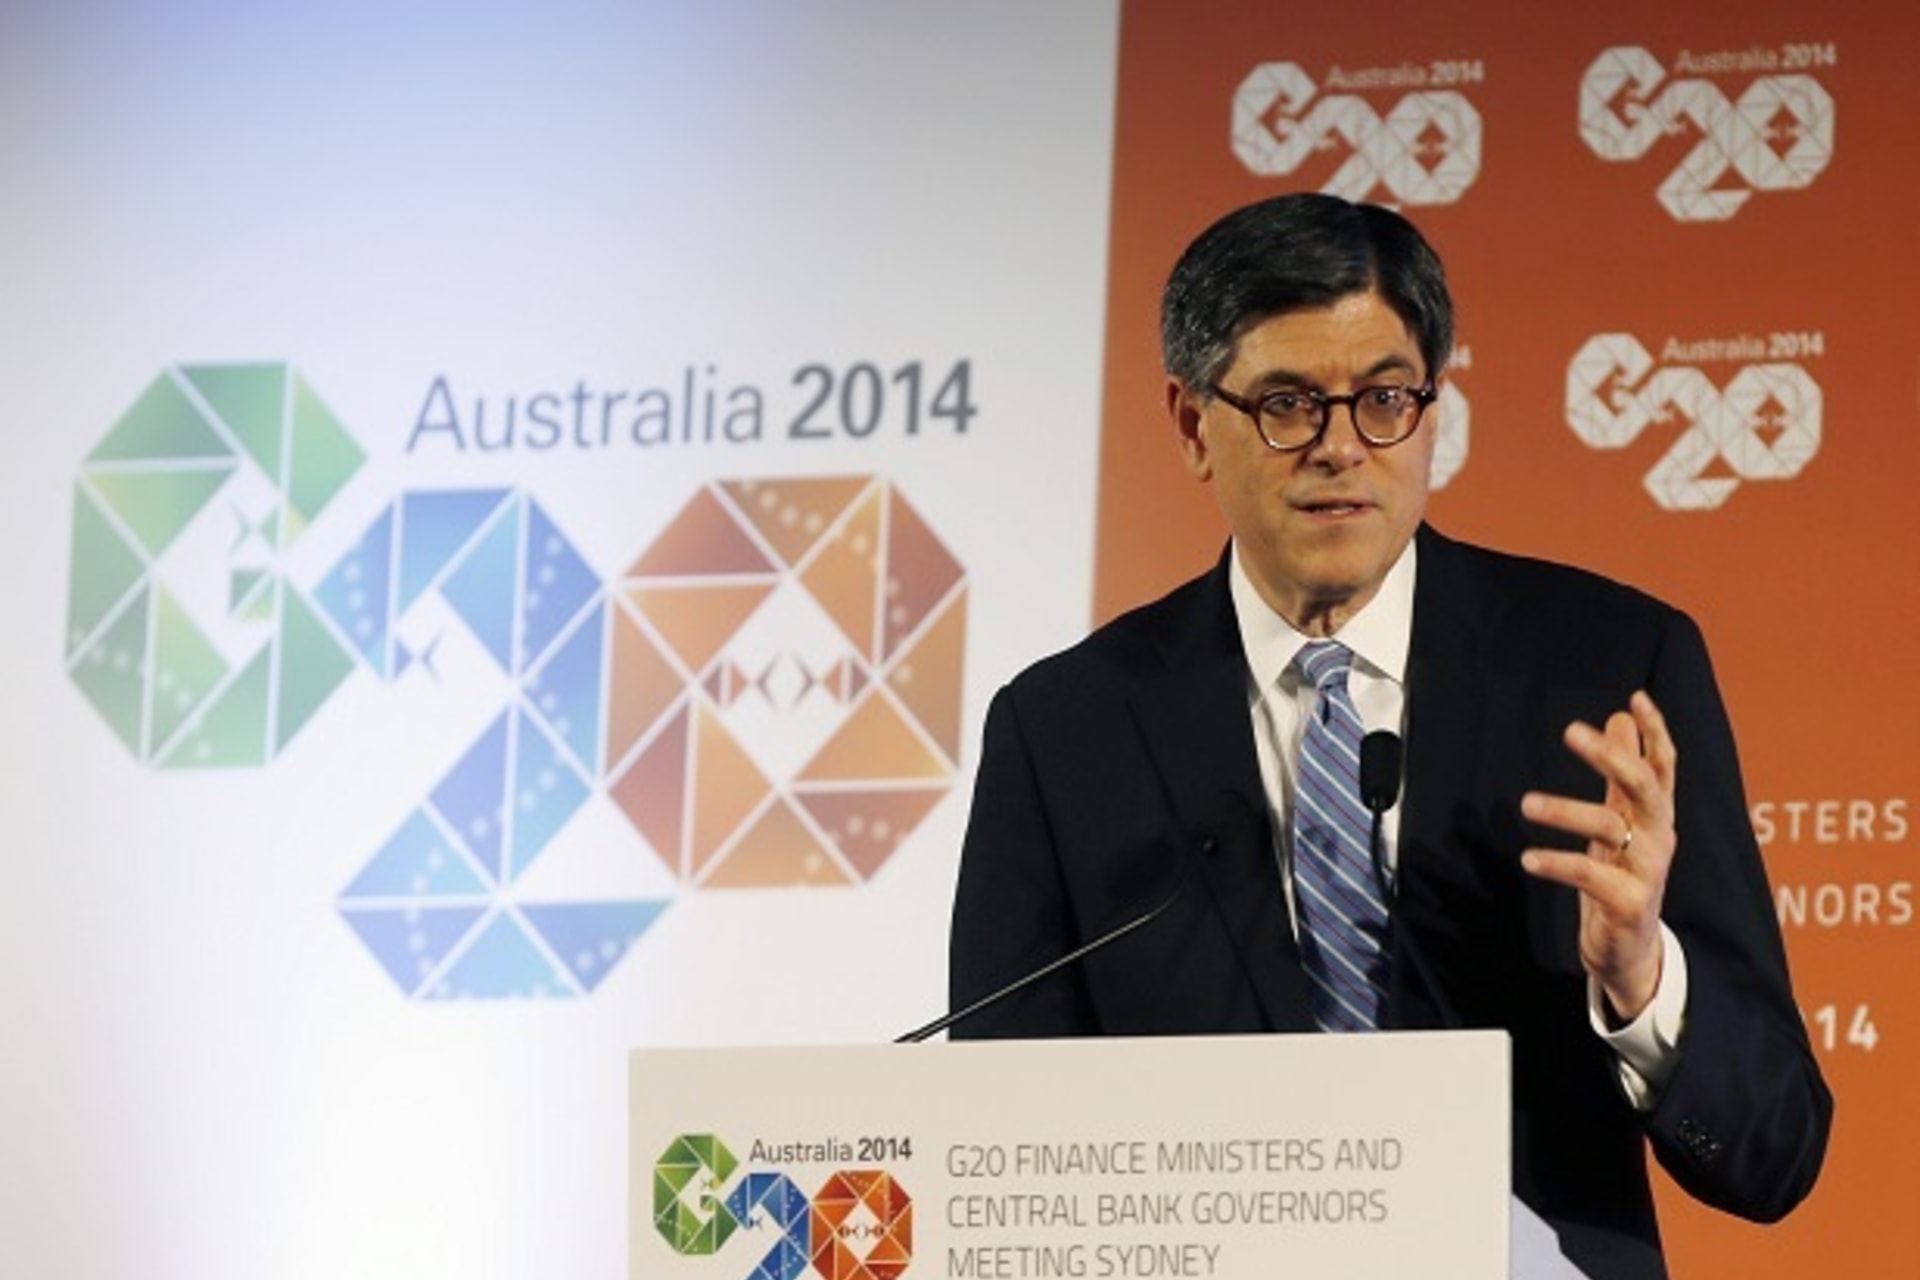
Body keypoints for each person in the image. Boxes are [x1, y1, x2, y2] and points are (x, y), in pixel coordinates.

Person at [947, 192, 1831, 1280]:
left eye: (1383, 399)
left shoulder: (1607, 665)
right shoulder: (1065, 727)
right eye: (1286, 403)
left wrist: (1645, 980)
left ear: (1433, 407)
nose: (1339, 448)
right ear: (1190, 424)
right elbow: (997, 1139)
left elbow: (1777, 1148)